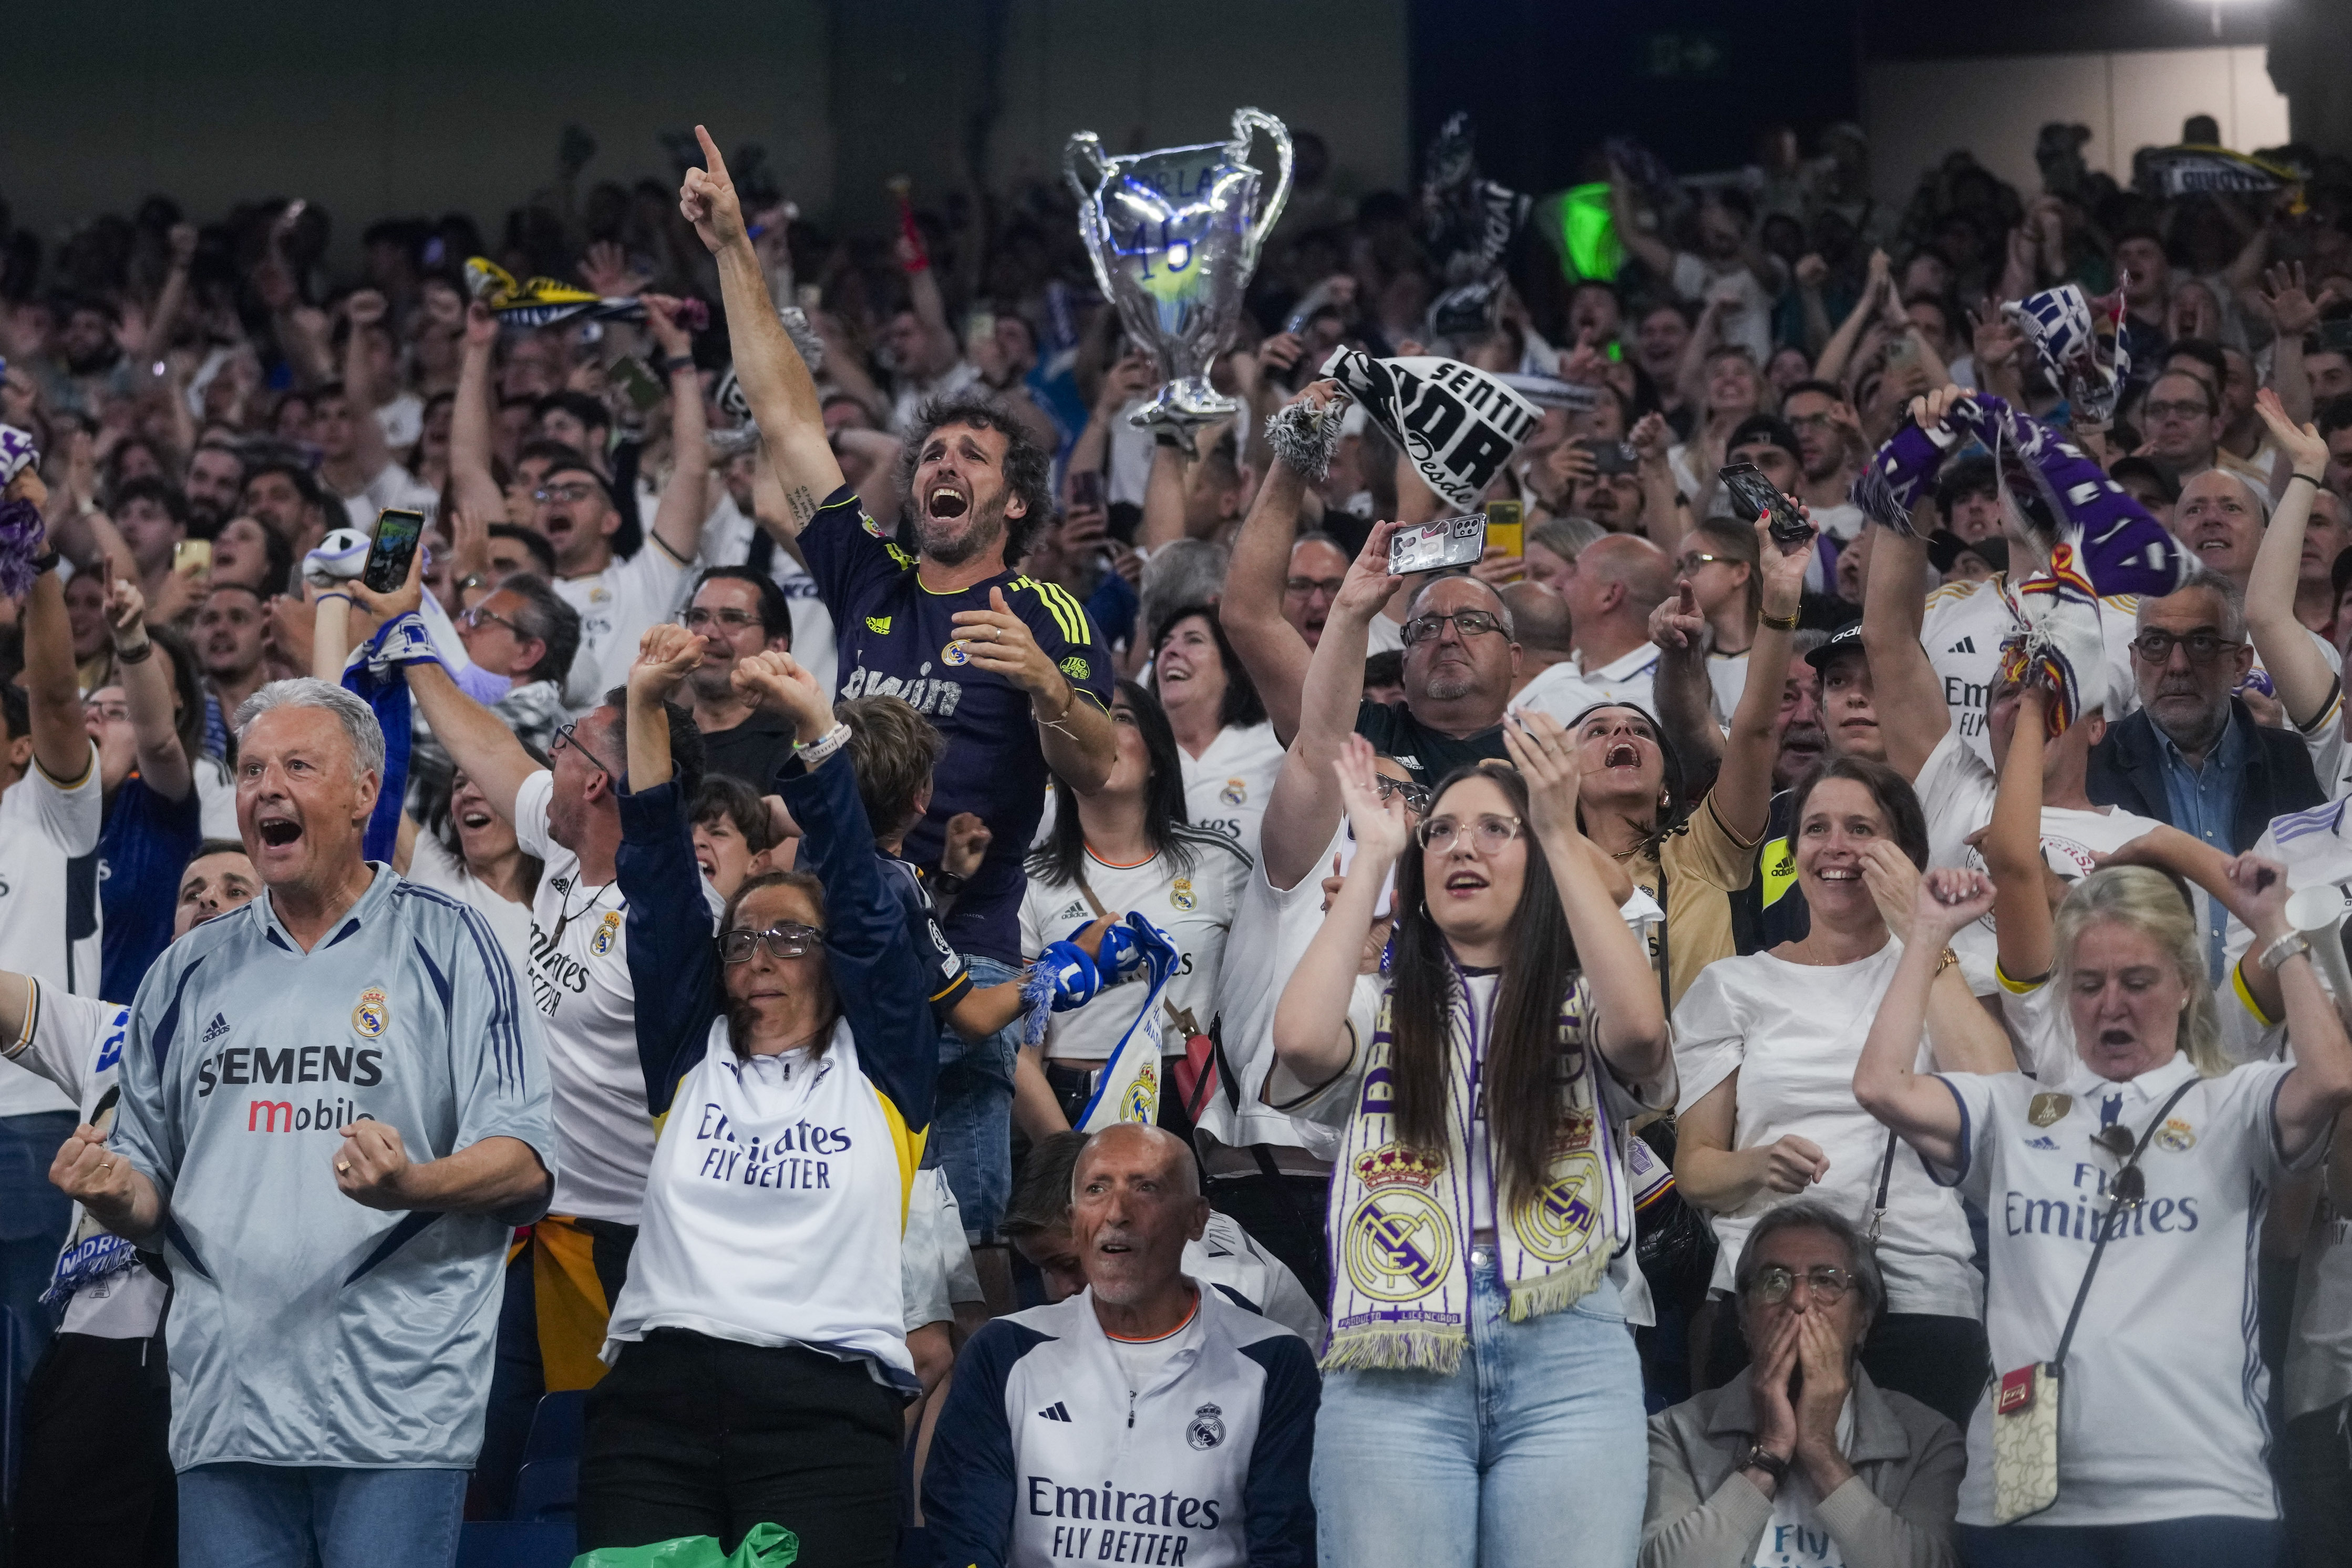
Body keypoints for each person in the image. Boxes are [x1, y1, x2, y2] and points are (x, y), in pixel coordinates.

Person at [687, 125, 1115, 1237]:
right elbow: (788, 414)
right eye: (934, 453)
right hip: (844, 927)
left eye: (974, 457)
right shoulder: (869, 578)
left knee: (955, 1240)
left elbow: (1103, 763)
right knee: (833, 1206)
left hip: (967, 954)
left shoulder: (1042, 610)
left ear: (1015, 503)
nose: (943, 465)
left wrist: (1047, 692)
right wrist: (739, 250)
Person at [56, 678, 552, 1568]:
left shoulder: (455, 943)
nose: (265, 788)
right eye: (250, 769)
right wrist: (113, 1186)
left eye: (296, 765)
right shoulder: (184, 971)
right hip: (225, 1401)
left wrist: (415, 1184)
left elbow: (526, 1161)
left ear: (365, 791)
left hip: (398, 1403)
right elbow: (147, 1181)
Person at [1852, 860, 2352, 1561]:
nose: (2110, 1004)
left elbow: (2332, 1076)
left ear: (2183, 986)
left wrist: (2275, 927)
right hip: (2023, 1497)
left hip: (2199, 1491)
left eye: (2137, 981)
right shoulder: (2012, 1111)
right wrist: (1929, 934)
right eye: (2087, 985)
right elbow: (1880, 1085)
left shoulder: (2231, 1104)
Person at [1272, 721, 1674, 1568]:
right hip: (1394, 1358)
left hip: (1568, 1344)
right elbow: (1302, 1043)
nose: (1464, 847)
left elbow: (1641, 1033)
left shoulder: (1583, 993)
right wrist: (1377, 856)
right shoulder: (1381, 1003)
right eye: (1442, 831)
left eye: (1499, 829)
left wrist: (1562, 834)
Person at [372, 556, 723, 1517]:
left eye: (567, 743)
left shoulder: (675, 913)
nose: (549, 757)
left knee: (592, 1487)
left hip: (623, 1251)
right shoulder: (567, 854)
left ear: (606, 782)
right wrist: (413, 643)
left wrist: (646, 702)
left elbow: (652, 834)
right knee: (486, 1471)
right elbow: (488, 750)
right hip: (519, 1225)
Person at [580, 635, 940, 1564]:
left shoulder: (885, 1070)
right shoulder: (688, 1055)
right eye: (742, 939)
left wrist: (819, 731)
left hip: (822, 1418)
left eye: (790, 936)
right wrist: (647, 711)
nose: (760, 956)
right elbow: (659, 889)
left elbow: (864, 903)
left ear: (837, 962)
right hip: (654, 1407)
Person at [1670, 757, 2010, 1425]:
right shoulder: (1734, 984)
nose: (1836, 848)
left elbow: (1997, 1103)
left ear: (1907, 854)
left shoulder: (1951, 966)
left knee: (1914, 1519)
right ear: (1794, 852)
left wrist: (1922, 931)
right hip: (1766, 1290)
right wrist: (1756, 1163)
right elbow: (1696, 1168)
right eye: (1817, 829)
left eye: (1862, 829)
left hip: (1919, 1289)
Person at [5, 841, 259, 1568]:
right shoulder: (110, 1028)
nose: (208, 898)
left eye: (235, 888)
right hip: (97, 1354)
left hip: (229, 1354)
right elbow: (11, 999)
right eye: (193, 890)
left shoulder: (310, 1040)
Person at [923, 1123, 1321, 1568]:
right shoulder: (1004, 1351)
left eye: (1145, 1188)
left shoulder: (1271, 1359)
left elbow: (1283, 1545)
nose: (1117, 1213)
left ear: (1197, 1218)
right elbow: (962, 1537)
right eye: (1096, 1189)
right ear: (1075, 1222)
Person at [1640, 1201, 1965, 1568]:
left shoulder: (1929, 1439)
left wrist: (1822, 1451)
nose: (1797, 1301)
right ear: (1745, 1318)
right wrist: (1771, 1452)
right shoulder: (1674, 1433)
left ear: (1863, 1320)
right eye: (1773, 1280)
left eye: (1825, 1280)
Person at [1019, 682, 1253, 1133]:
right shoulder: (1031, 880)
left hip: (1185, 1092)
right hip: (1071, 1103)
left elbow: (1262, 994)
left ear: (1157, 756)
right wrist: (1062, 1156)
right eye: (1085, 719)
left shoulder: (1220, 864)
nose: (1100, 732)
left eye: (1121, 717)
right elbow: (1020, 1051)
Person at [2086, 571, 2325, 973]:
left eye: (2201, 643)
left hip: (2269, 1018)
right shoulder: (2093, 766)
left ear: (2239, 665)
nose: (2177, 666)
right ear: (2134, 658)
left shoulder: (2295, 765)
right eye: (2157, 644)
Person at [0, 535, 105, 1362]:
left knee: (27, 1358)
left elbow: (60, 697)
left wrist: (32, 560)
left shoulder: (46, 814)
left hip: (28, 1116)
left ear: (18, 745)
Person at [1002, 1129, 1325, 1346]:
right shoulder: (1165, 1226)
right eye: (1046, 1270)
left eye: (1071, 1264)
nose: (1062, 1290)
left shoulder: (1216, 1297)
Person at [1151, 603, 1282, 860]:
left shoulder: (1274, 747)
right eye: (1165, 644)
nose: (1171, 651)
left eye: (1194, 641)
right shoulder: (1137, 755)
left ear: (1232, 667)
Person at [1519, 532, 1672, 720]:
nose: (1558, 583)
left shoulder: (1658, 698)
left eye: (1574, 571)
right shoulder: (1561, 666)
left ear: (1609, 596)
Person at [677, 565, 797, 786]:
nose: (708, 634)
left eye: (732, 619)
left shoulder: (795, 748)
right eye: (698, 617)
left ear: (775, 647)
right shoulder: (656, 737)